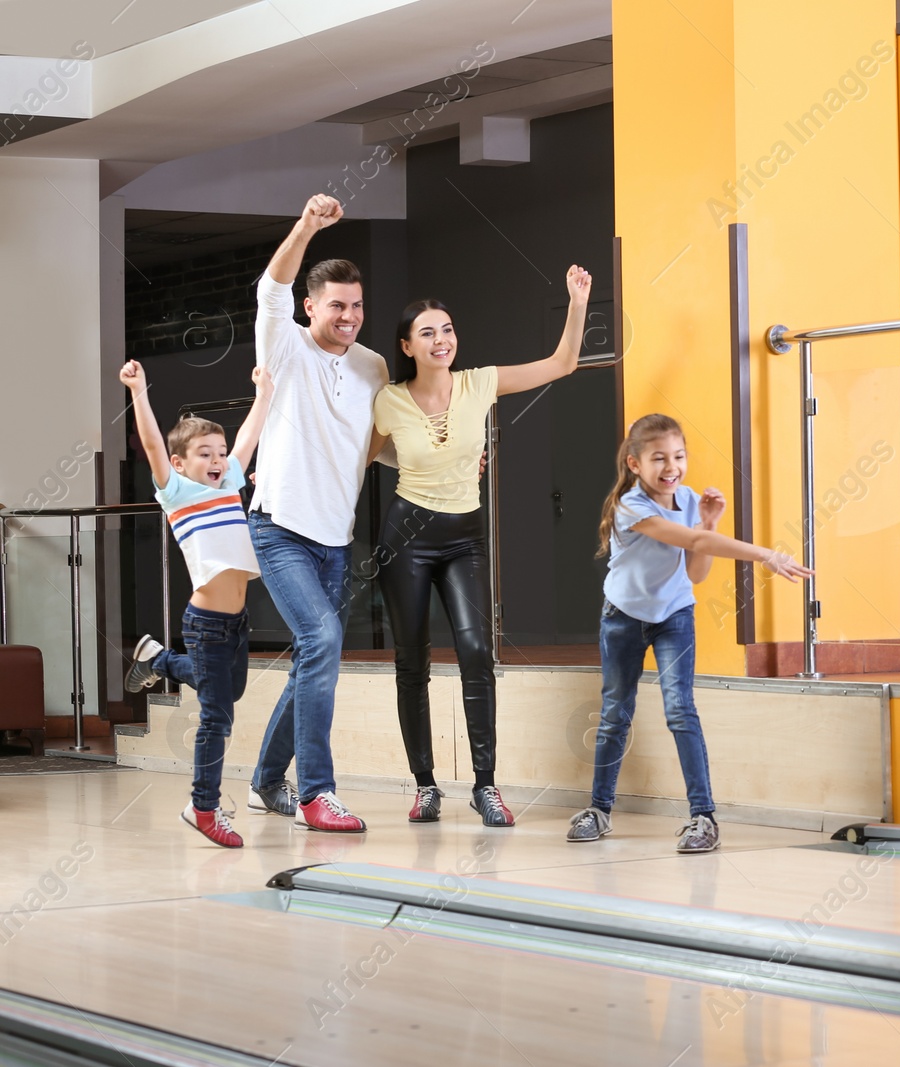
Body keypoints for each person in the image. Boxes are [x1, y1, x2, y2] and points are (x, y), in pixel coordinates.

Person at [369, 264, 593, 827]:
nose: (441, 339)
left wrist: (577, 302)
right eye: (427, 332)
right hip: (407, 535)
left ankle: (485, 785)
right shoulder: (389, 401)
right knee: (411, 661)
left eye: (446, 329)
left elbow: (561, 364)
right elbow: (367, 457)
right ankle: (424, 786)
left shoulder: (479, 382)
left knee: (475, 652)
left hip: (464, 535)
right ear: (407, 346)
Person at [567, 414, 812, 853]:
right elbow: (695, 546)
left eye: (678, 456)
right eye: (659, 458)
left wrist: (709, 523)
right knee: (614, 714)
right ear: (635, 464)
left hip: (674, 616)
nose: (671, 466)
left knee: (681, 709)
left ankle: (703, 817)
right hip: (622, 617)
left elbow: (696, 572)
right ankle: (599, 810)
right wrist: (764, 555)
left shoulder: (689, 499)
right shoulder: (631, 506)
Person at [247, 194, 390, 833]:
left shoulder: (372, 367)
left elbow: (378, 444)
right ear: (312, 308)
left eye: (357, 305)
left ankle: (263, 782)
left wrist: (435, 464)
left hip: (337, 537)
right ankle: (317, 793)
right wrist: (305, 226)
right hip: (278, 528)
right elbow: (271, 287)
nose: (349, 316)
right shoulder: (285, 348)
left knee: (315, 657)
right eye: (337, 305)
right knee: (323, 641)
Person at [120, 361, 273, 848]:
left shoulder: (229, 482)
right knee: (217, 716)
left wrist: (264, 393)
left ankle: (158, 659)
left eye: (221, 452)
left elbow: (250, 434)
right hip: (205, 622)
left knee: (233, 692)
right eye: (204, 452)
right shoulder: (178, 492)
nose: (217, 459)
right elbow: (150, 445)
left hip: (237, 622)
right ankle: (203, 807)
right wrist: (139, 393)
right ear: (180, 463)